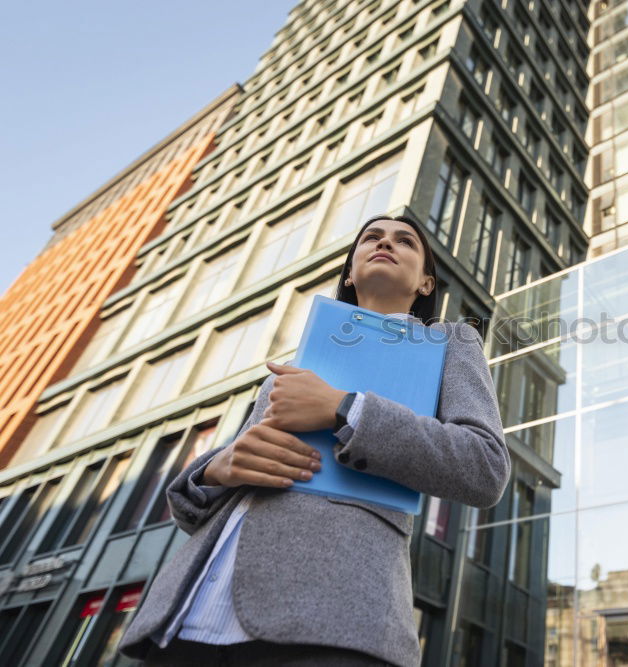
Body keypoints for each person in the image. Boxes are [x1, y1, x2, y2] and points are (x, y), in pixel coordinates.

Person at [117, 214, 511, 666]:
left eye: (405, 241)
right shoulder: (292, 367)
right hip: (190, 616)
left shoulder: (449, 344)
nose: (385, 243)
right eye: (371, 238)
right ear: (349, 272)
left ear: (425, 283)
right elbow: (195, 511)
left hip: (335, 617)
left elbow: (484, 468)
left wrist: (345, 408)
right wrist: (215, 469)